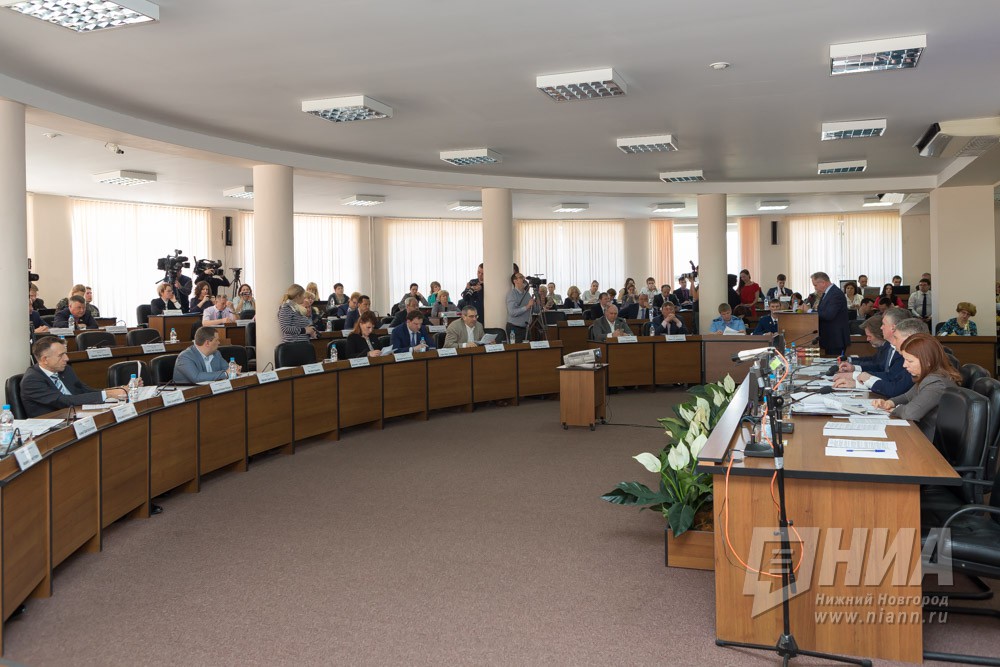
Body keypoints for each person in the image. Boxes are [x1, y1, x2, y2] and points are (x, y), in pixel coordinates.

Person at [871, 333, 961, 441]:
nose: (904, 365)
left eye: (910, 361)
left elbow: (910, 413)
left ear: (927, 361)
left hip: (931, 444)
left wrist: (894, 409)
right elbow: (907, 396)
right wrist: (889, 403)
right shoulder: (929, 375)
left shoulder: (936, 383)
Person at [20, 336, 128, 417]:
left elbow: (85, 390)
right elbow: (63, 401)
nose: (66, 358)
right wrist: (107, 394)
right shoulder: (32, 380)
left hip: (75, 415)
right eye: (61, 355)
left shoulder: (65, 370)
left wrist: (117, 390)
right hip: (53, 426)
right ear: (44, 359)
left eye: (65, 353)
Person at [833, 310, 922, 396]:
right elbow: (877, 364)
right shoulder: (892, 347)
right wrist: (857, 376)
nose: (881, 327)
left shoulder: (903, 354)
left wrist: (857, 377)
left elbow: (893, 384)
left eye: (883, 324)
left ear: (893, 328)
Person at [811, 271, 850, 356]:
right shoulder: (828, 293)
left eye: (815, 285)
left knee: (836, 365)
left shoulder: (835, 294)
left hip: (836, 339)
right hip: (830, 338)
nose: (815, 288)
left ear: (823, 283)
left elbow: (829, 315)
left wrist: (810, 311)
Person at [506, 272, 539, 343]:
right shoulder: (512, 294)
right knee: (517, 351)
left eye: (523, 277)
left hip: (526, 328)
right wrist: (527, 306)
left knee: (527, 352)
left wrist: (538, 302)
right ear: (515, 281)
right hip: (514, 329)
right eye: (521, 277)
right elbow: (512, 312)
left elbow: (536, 310)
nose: (524, 279)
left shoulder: (527, 294)